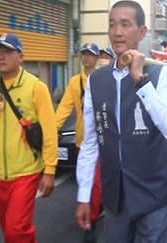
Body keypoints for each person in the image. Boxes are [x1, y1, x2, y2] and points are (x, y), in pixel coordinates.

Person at [75, 0, 167, 242]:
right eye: (112, 25)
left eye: (125, 24)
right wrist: (83, 195)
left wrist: (141, 83)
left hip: (152, 194)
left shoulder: (159, 74)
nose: (117, 32)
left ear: (142, 32)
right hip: (115, 196)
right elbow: (91, 142)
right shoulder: (96, 80)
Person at [0, 33, 57, 242]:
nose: (1, 57)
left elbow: (50, 132)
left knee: (16, 230)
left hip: (26, 173)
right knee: (9, 231)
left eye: (7, 51)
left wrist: (49, 170)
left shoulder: (36, 87)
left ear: (21, 57)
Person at [55, 42, 101, 243]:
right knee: (86, 182)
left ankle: (92, 221)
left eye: (90, 54)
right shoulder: (75, 83)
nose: (86, 58)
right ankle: (90, 214)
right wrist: (52, 130)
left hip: (103, 141)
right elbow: (65, 107)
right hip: (83, 141)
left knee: (97, 184)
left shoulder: (103, 79)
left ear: (97, 57)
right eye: (84, 54)